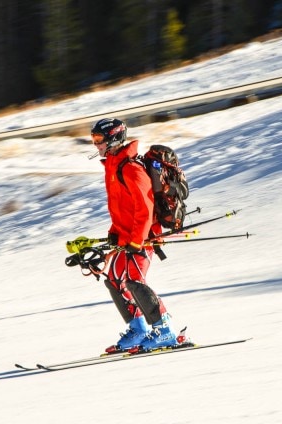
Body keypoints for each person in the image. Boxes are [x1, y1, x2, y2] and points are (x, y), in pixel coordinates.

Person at [91, 117, 178, 353]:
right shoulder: (113, 165)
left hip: (144, 235)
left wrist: (137, 240)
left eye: (99, 139)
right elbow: (121, 208)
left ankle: (165, 330)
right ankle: (139, 330)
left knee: (134, 281)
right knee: (114, 279)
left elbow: (145, 207)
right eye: (94, 139)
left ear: (115, 138)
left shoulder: (131, 168)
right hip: (126, 235)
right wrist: (113, 235)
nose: (96, 144)